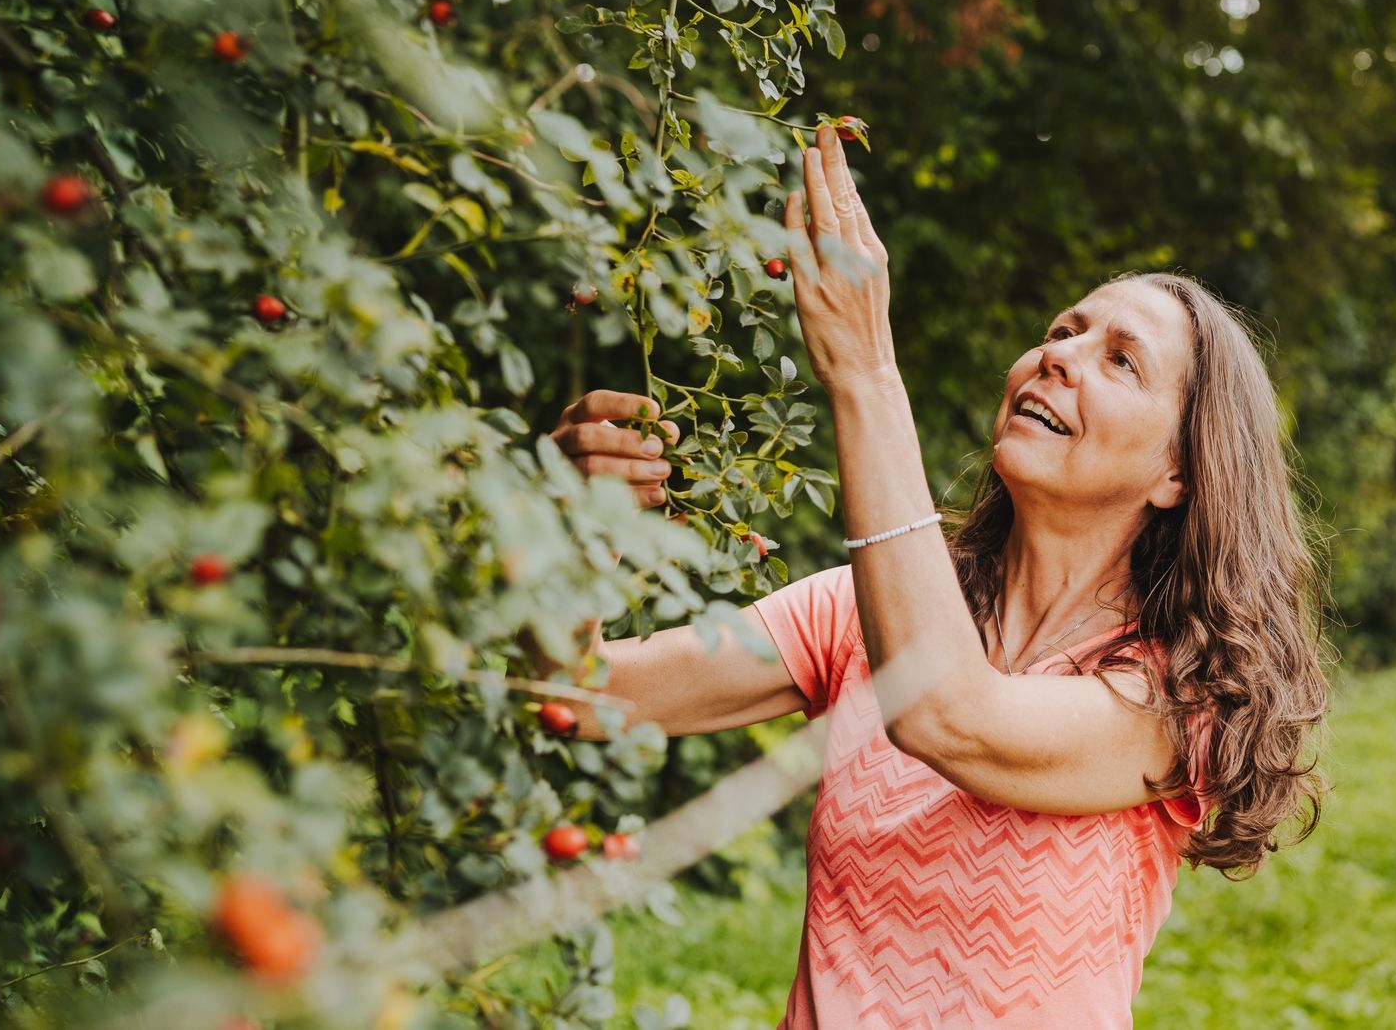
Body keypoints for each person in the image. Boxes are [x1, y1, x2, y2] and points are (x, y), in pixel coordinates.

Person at [548, 122, 1332, 1028]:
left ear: (1178, 474)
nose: (1060, 355)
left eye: (1120, 360)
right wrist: (576, 533)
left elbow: (949, 714)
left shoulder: (1174, 696)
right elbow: (580, 697)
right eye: (1062, 330)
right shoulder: (863, 614)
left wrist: (865, 371)